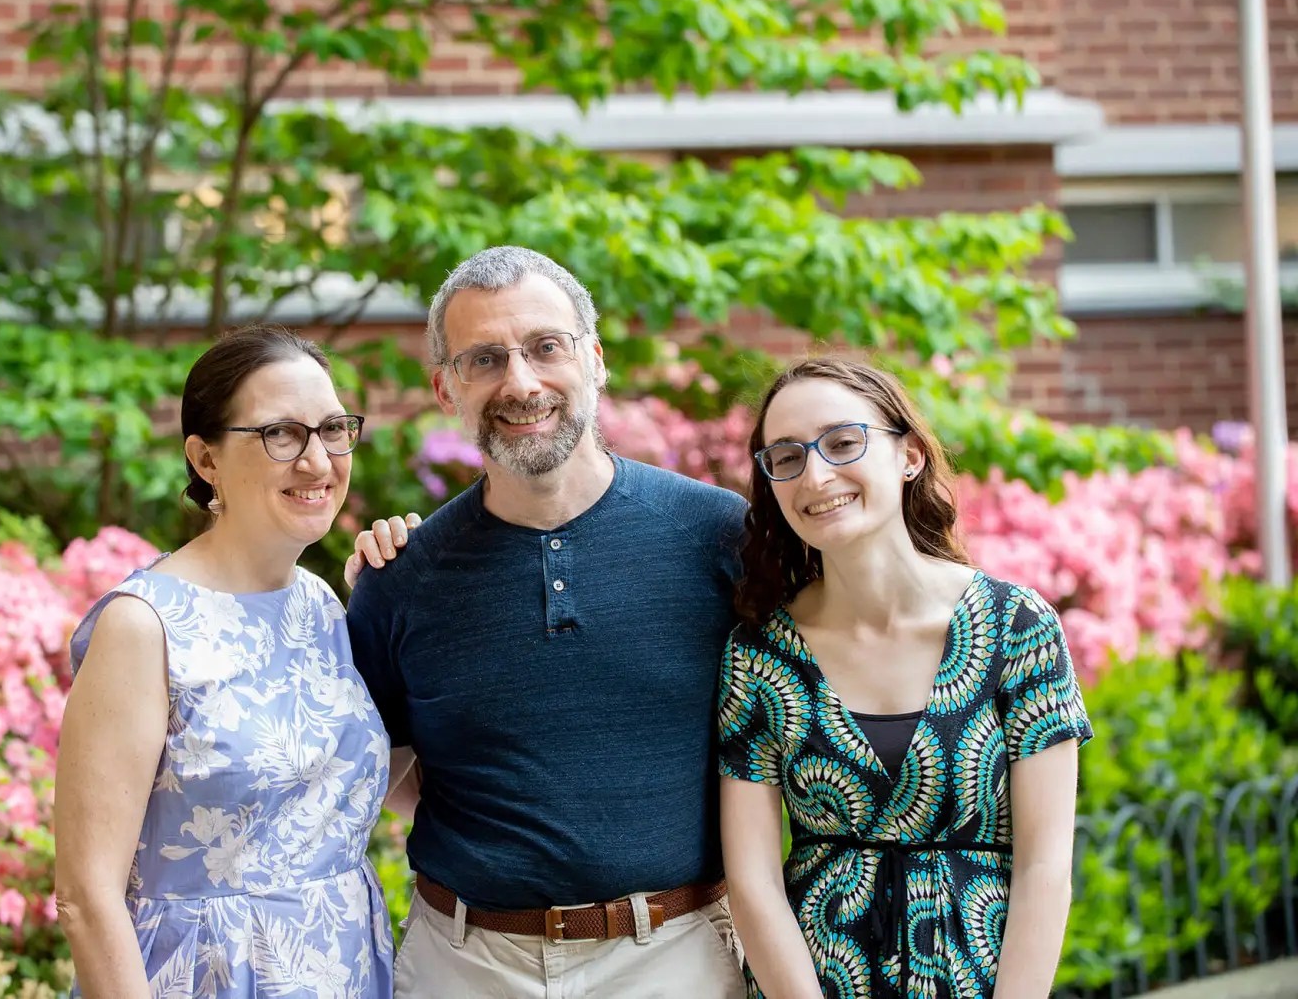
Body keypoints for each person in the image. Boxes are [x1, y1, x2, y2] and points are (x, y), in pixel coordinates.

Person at [345, 246, 749, 998]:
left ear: (594, 360)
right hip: (464, 964)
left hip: (674, 958)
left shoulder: (720, 538)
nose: (521, 382)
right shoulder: (402, 578)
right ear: (445, 387)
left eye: (544, 348)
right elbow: (387, 774)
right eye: (485, 359)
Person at [716, 357, 1091, 999]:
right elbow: (750, 881)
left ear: (909, 455)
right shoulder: (758, 653)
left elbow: (1045, 865)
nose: (816, 474)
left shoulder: (1017, 628)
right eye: (786, 457)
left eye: (842, 442)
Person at [54, 326, 394, 999]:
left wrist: (409, 605)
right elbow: (85, 898)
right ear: (206, 460)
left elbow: (334, 800)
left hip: (346, 969)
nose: (318, 460)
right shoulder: (143, 626)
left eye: (332, 429)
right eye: (280, 434)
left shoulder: (322, 605)